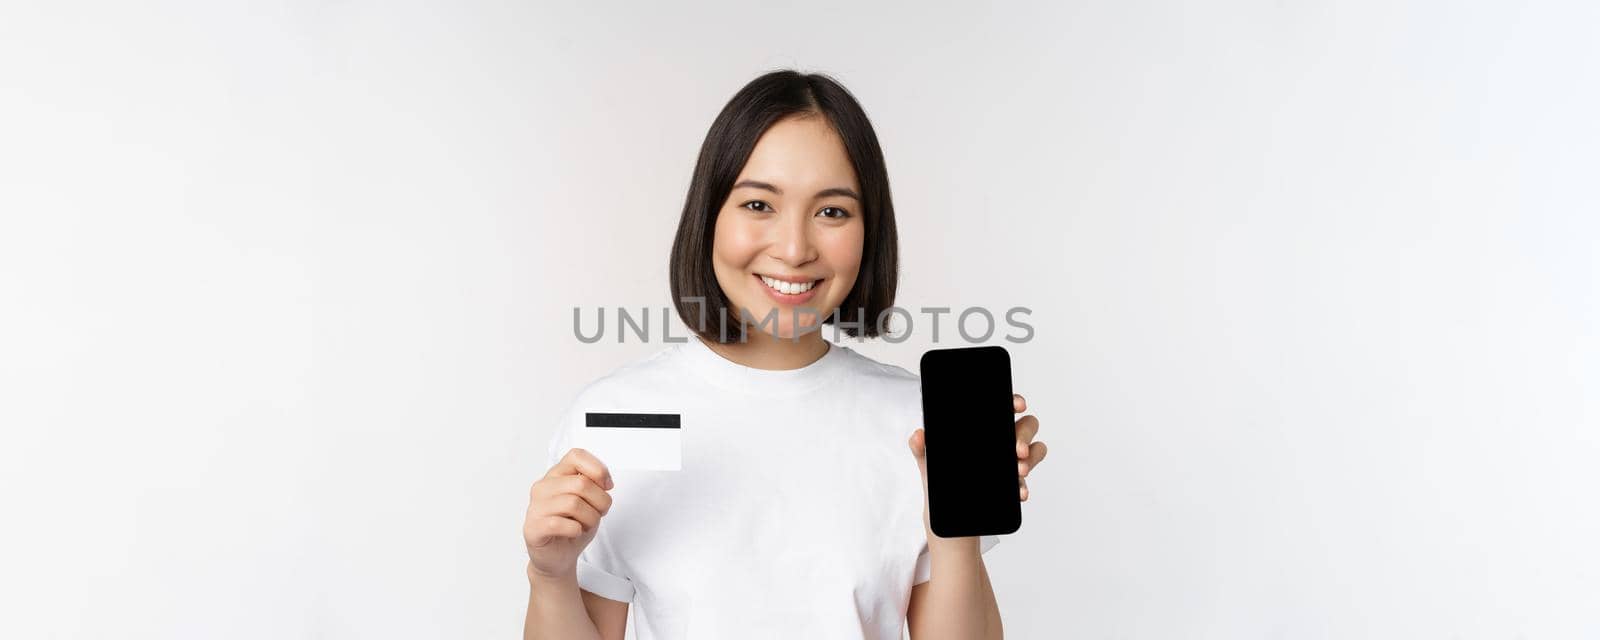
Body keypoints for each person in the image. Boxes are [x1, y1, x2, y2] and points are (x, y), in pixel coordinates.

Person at [521, 69, 1049, 640]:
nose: (795, 249)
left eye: (832, 212)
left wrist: (956, 526)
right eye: (758, 204)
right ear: (710, 217)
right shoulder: (615, 414)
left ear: (870, 231)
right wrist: (552, 576)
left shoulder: (920, 424)